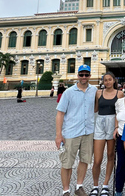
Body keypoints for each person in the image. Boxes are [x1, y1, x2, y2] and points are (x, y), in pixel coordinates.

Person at [55, 64, 97, 196]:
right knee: (67, 163)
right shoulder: (68, 92)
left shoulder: (94, 90)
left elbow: (97, 107)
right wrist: (58, 135)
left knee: (85, 160)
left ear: (90, 76)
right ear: (77, 75)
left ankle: (79, 186)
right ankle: (66, 190)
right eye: (81, 74)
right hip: (71, 132)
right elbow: (60, 114)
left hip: (88, 131)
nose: (84, 77)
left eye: (86, 74)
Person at [91, 72, 124, 196]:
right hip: (100, 122)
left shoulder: (119, 93)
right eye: (105, 80)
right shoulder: (98, 93)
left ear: (114, 80)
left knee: (111, 155)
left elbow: (121, 111)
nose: (108, 82)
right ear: (103, 82)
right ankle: (95, 186)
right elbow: (95, 109)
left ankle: (105, 185)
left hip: (113, 123)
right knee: (97, 159)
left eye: (110, 80)